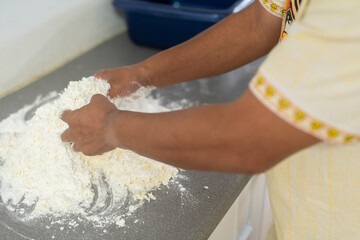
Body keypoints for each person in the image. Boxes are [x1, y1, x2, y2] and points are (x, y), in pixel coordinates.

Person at [61, 0, 360, 239]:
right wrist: (144, 74)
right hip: (299, 212)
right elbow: (261, 21)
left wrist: (110, 128)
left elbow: (248, 140)